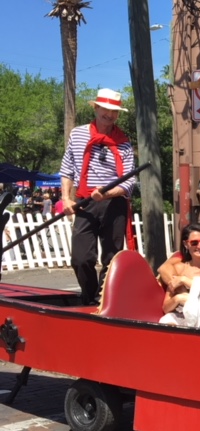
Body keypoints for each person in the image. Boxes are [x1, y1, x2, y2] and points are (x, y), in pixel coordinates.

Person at [59, 88, 136, 305]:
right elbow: (67, 170)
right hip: (85, 201)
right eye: (106, 109)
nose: (109, 115)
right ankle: (90, 295)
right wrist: (66, 198)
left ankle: (102, 300)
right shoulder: (78, 134)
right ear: (97, 108)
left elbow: (130, 181)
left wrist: (108, 192)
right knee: (81, 258)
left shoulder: (123, 141)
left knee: (112, 257)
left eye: (114, 111)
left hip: (114, 202)